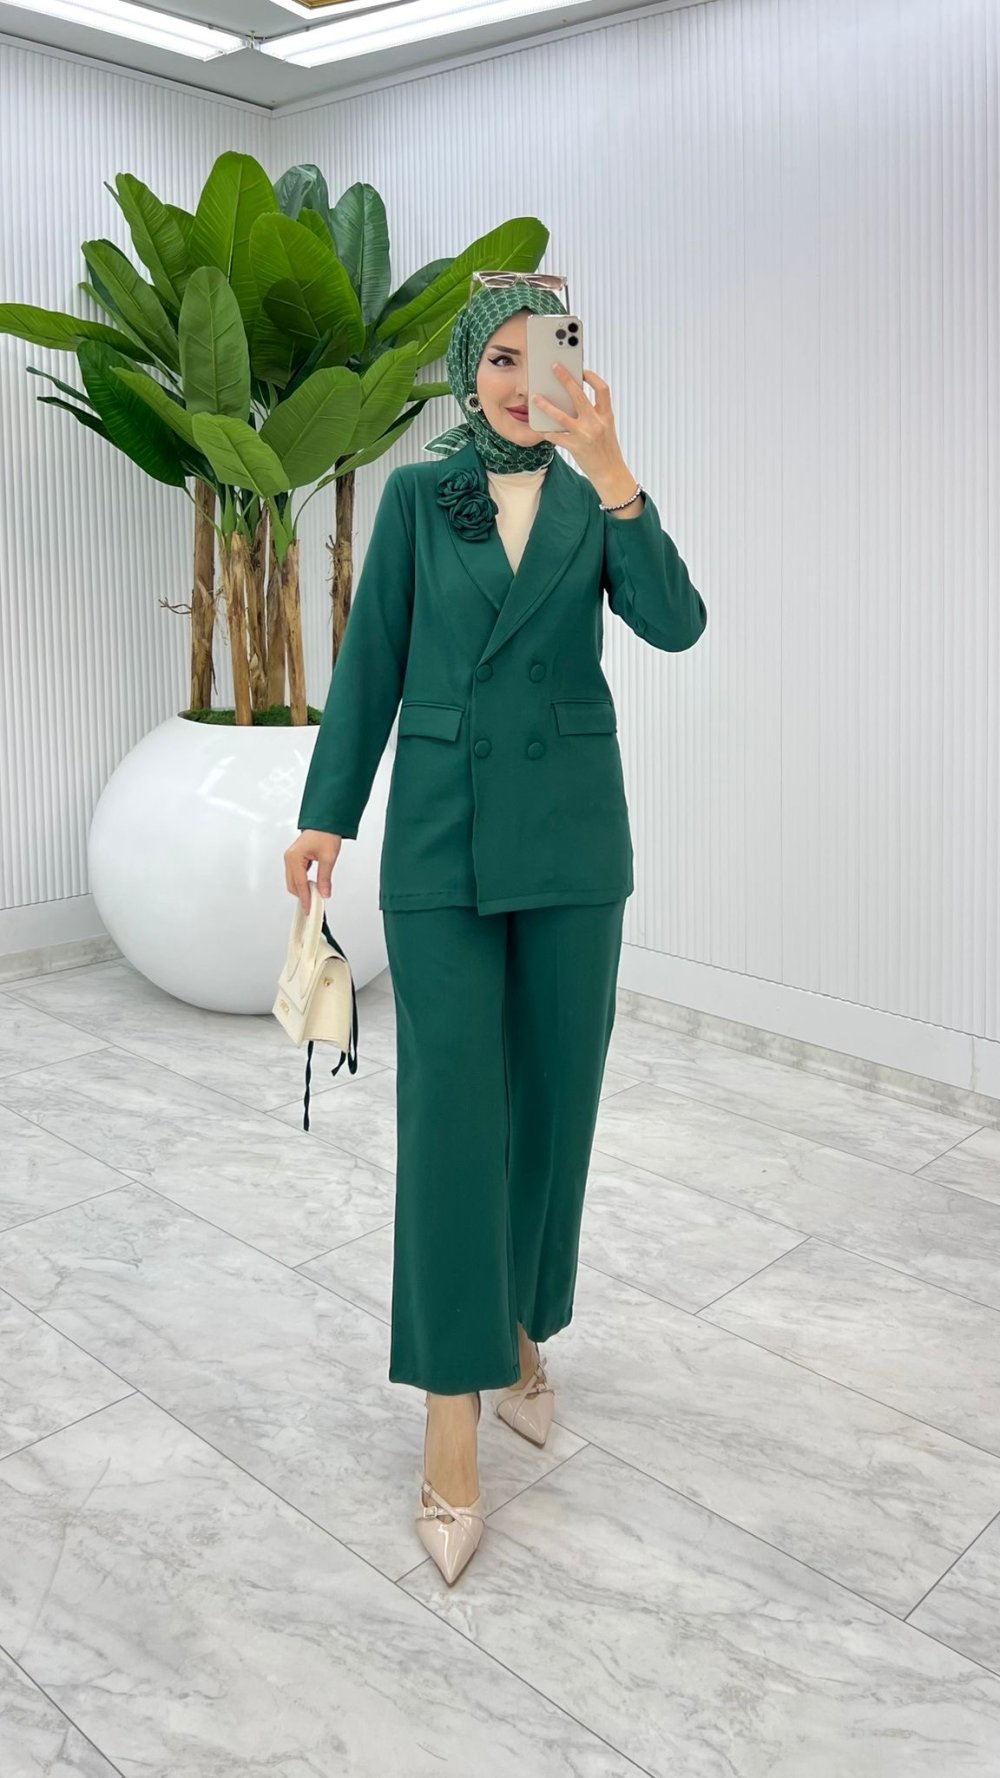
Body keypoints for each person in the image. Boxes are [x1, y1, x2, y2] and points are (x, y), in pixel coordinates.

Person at [284, 275, 707, 1584]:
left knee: (554, 1105)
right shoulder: (423, 498)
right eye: (502, 359)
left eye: (547, 356)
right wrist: (326, 814)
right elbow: (371, 663)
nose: (525, 384)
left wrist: (618, 476)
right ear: (470, 370)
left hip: (573, 845)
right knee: (453, 1120)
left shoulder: (592, 499)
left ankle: (524, 1326)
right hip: (444, 842)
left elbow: (678, 626)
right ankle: (449, 1409)